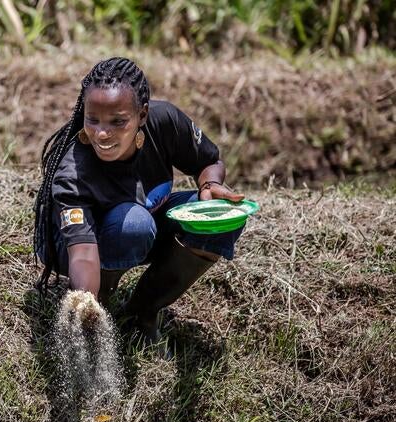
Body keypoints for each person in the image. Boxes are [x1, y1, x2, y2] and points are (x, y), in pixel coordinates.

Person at [32, 56, 245, 342]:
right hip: (74, 245)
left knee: (222, 219)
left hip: (142, 225)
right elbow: (82, 252)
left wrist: (210, 183)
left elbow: (210, 160)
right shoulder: (73, 172)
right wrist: (85, 302)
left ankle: (141, 311)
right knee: (134, 223)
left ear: (142, 115)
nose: (102, 133)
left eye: (118, 121)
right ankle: (103, 309)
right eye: (92, 119)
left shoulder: (165, 122)